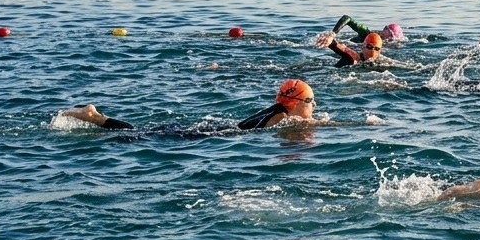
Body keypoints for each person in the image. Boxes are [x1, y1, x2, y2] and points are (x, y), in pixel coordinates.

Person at [61, 79, 317, 132]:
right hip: (211, 134)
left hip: (217, 126)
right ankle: (93, 117)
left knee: (145, 131)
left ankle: (97, 117)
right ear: (294, 104)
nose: (314, 105)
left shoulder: (278, 109)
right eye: (310, 101)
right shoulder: (281, 117)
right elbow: (263, 132)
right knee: (139, 133)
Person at [319, 30, 384, 67]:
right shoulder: (352, 57)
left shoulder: (383, 63)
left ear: (379, 52)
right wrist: (330, 40)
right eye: (370, 47)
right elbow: (341, 47)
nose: (373, 50)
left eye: (377, 48)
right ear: (362, 47)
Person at [328, 14, 404, 43]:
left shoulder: (382, 46)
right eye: (390, 34)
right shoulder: (366, 33)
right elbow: (347, 18)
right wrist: (332, 34)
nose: (389, 38)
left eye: (391, 38)